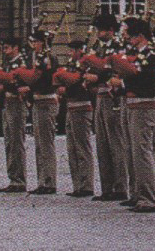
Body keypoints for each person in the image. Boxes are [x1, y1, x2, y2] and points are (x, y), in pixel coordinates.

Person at [113, 17, 155, 213]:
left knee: (142, 152)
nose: (127, 38)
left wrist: (122, 84)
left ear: (139, 36)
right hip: (132, 106)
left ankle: (149, 198)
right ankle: (136, 193)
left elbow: (146, 80)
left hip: (144, 106)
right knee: (132, 152)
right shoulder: (138, 54)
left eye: (129, 34)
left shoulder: (151, 55)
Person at [83, 13, 128, 203]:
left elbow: (116, 69)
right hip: (100, 95)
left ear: (110, 30)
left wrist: (98, 77)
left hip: (112, 95)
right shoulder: (97, 47)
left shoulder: (118, 46)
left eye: (100, 30)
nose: (98, 33)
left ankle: (120, 186)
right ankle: (107, 187)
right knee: (102, 143)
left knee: (115, 142)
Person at [57, 39, 95, 198]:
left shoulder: (86, 65)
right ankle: (78, 184)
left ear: (80, 50)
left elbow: (79, 83)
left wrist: (66, 88)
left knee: (82, 147)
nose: (70, 53)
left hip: (82, 106)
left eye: (73, 50)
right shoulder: (71, 65)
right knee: (72, 148)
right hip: (71, 106)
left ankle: (87, 185)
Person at [27, 30, 59, 195]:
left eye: (36, 42)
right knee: (39, 143)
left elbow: (45, 78)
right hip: (37, 101)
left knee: (46, 143)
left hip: (46, 100)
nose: (34, 45)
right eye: (33, 42)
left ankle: (49, 181)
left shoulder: (49, 58)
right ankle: (42, 180)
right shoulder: (36, 58)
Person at [0, 38, 28, 194]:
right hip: (8, 102)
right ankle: (13, 178)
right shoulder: (8, 64)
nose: (5, 51)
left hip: (17, 101)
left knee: (16, 141)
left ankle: (19, 180)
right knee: (9, 142)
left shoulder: (21, 62)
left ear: (16, 47)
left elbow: (22, 81)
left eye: (7, 47)